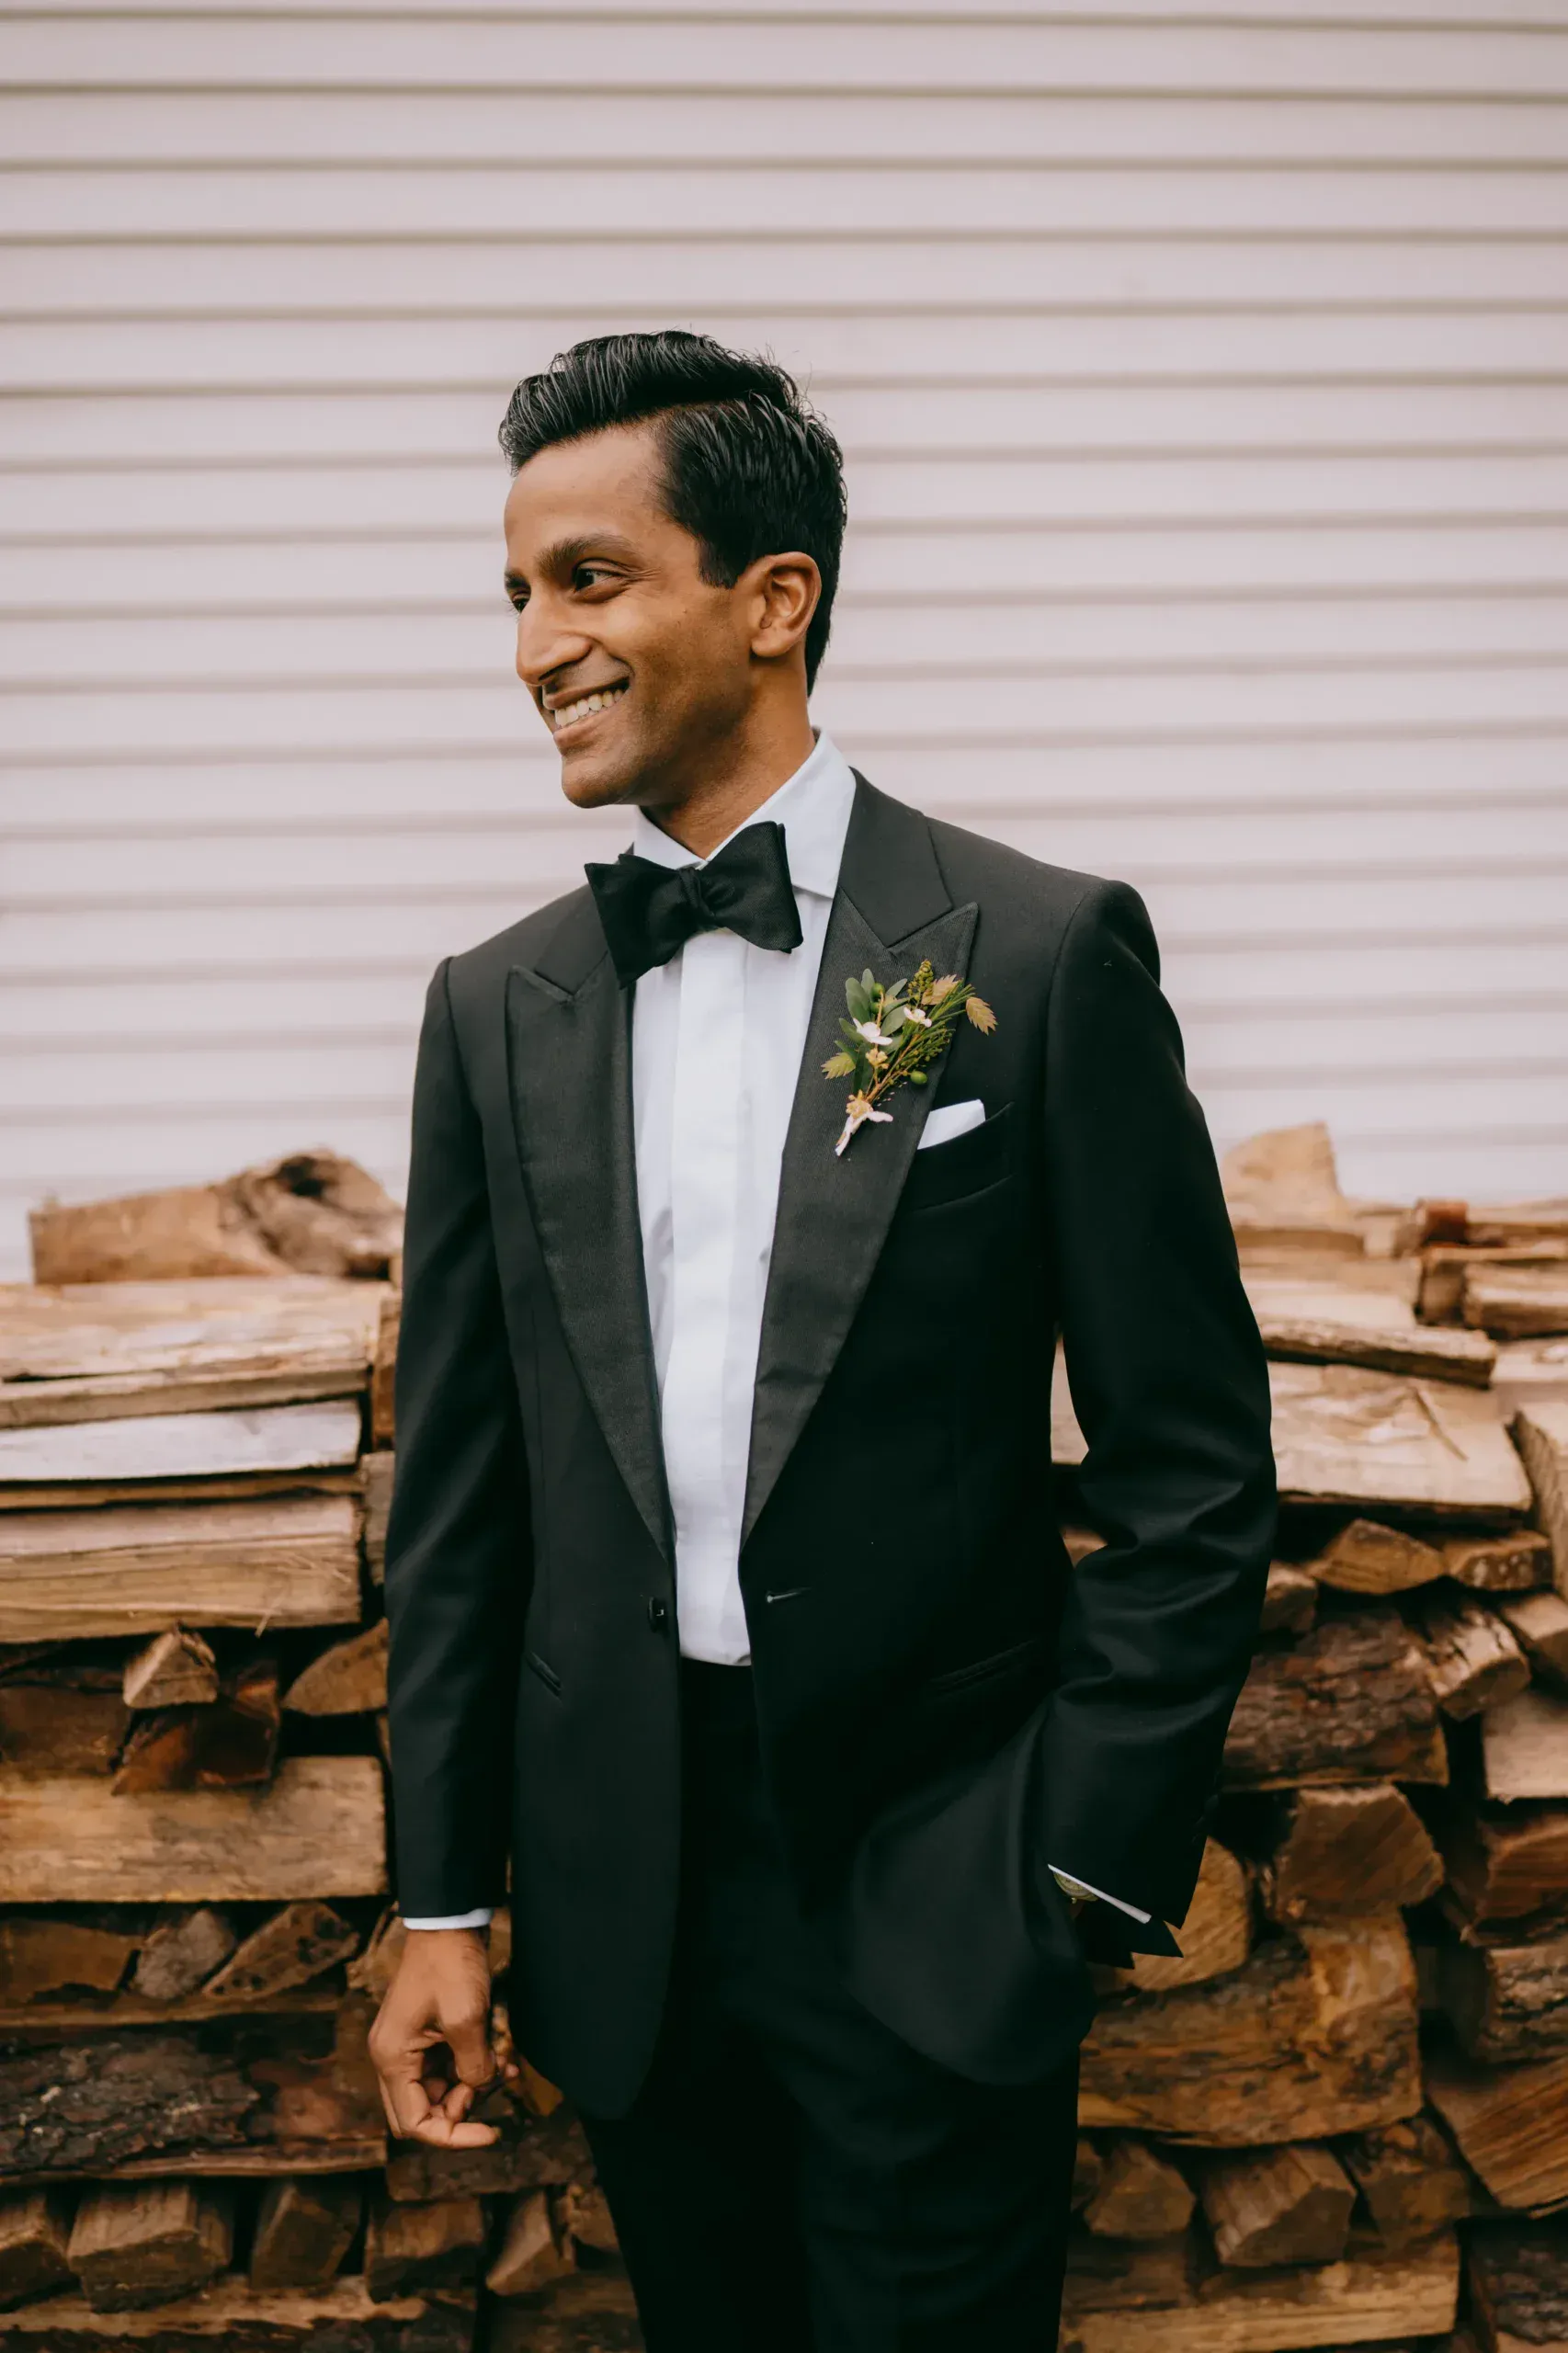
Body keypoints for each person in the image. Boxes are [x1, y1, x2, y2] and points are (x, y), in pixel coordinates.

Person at [369, 329, 1276, 2350]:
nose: (536, 642)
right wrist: (442, 1898)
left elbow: (1191, 1467)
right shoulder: (492, 1004)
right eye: (516, 592)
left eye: (588, 578)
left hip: (936, 1881)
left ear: (773, 598)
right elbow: (461, 1493)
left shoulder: (1036, 957)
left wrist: (1071, 1867)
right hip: (623, 1902)